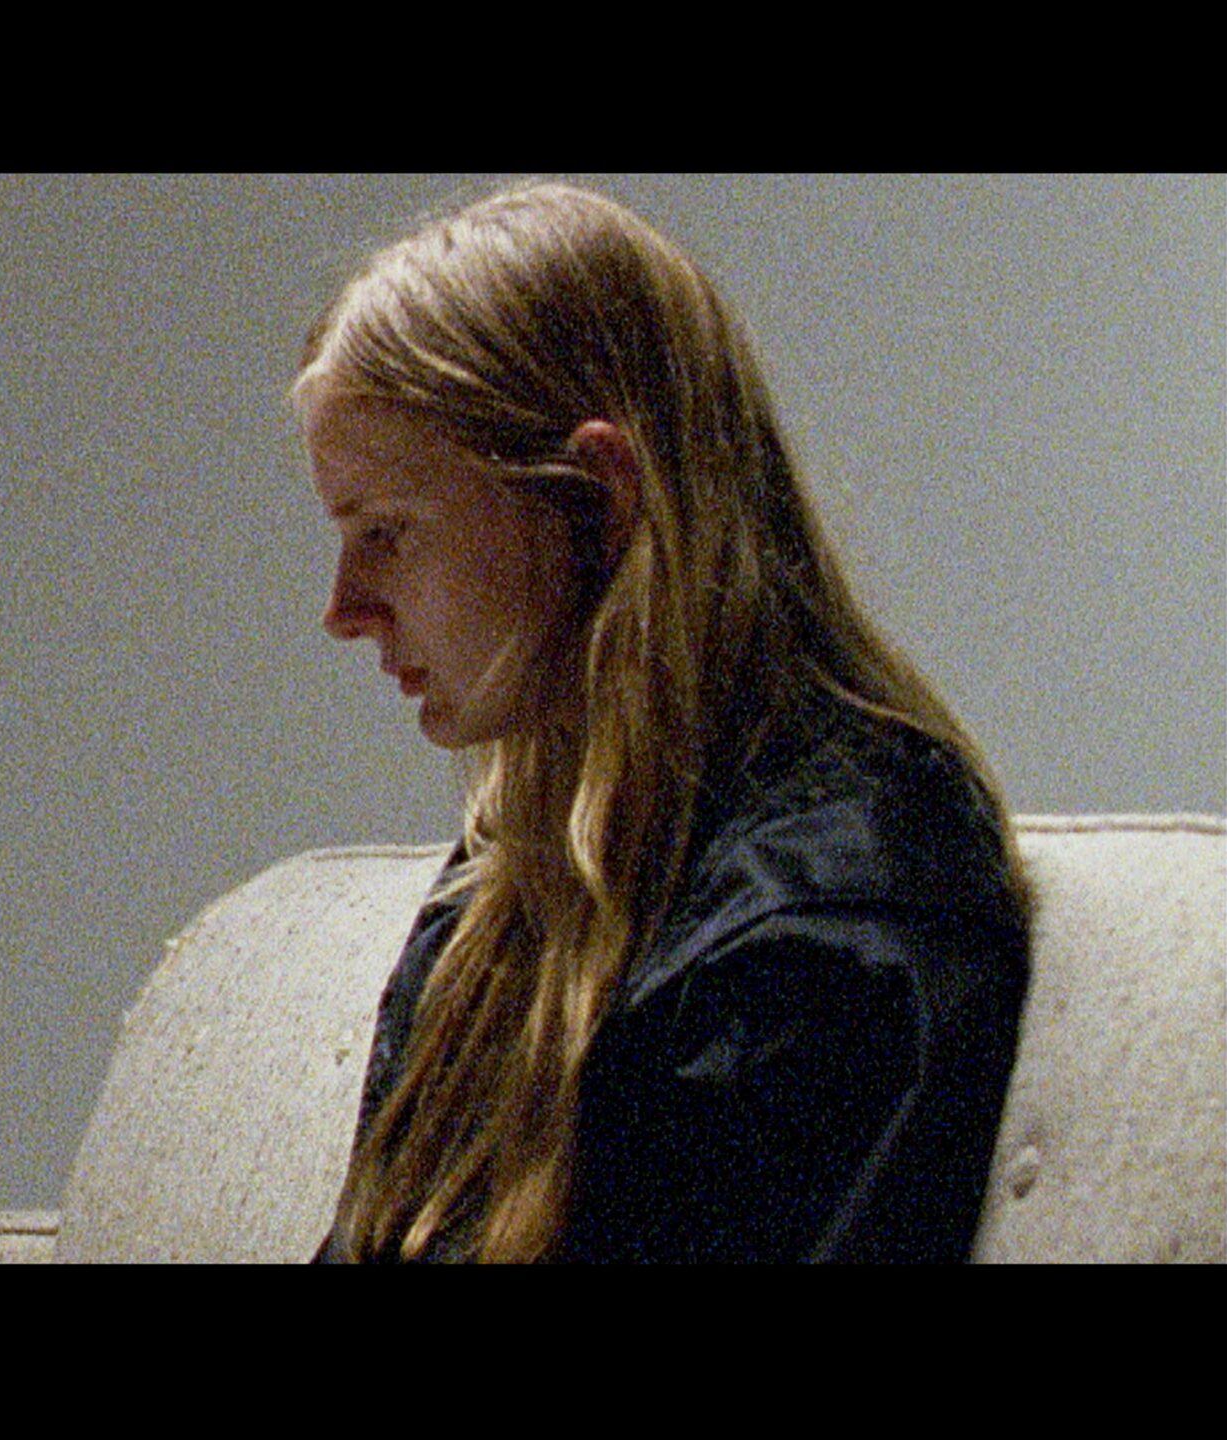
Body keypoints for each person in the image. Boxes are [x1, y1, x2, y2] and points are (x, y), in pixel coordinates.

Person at [299, 182, 1034, 1263]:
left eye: (388, 532)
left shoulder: (829, 925)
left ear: (598, 499)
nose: (343, 608)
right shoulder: (514, 881)